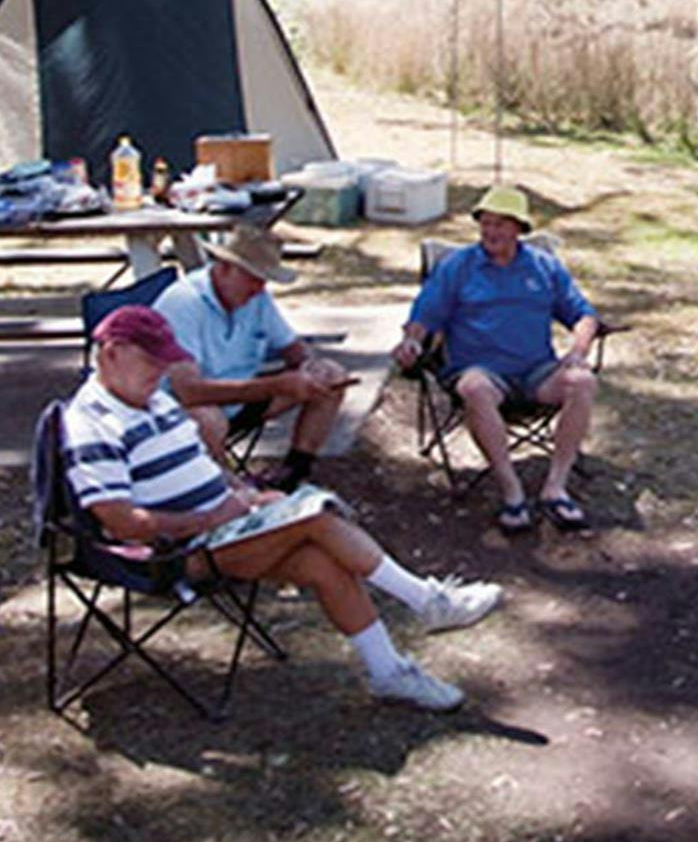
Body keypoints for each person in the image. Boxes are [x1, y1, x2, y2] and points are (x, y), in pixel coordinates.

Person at [61, 304, 502, 709]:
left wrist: (248, 494)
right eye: (151, 361)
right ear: (113, 353)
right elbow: (120, 521)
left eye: (164, 362)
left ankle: (389, 672)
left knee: (319, 562)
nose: (161, 372)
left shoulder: (155, 399)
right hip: (175, 552)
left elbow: (203, 468)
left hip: (225, 525)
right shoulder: (92, 422)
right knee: (315, 517)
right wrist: (211, 517)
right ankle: (426, 600)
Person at [394, 184, 601, 535]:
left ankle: (556, 487)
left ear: (520, 228)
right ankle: (511, 490)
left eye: (500, 224)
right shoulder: (458, 266)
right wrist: (412, 341)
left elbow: (584, 316)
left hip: (535, 371)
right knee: (474, 387)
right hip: (479, 371)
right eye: (485, 223)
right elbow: (424, 315)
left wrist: (578, 353)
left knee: (583, 382)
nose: (490, 232)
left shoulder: (543, 267)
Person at [157, 221, 343, 490]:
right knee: (207, 419)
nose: (259, 288)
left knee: (333, 376)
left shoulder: (257, 298)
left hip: (241, 397)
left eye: (263, 280)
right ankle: (218, 491)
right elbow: (189, 391)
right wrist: (276, 385)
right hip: (181, 410)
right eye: (253, 278)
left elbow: (292, 347)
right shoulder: (184, 303)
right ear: (223, 269)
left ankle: (293, 472)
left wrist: (310, 367)